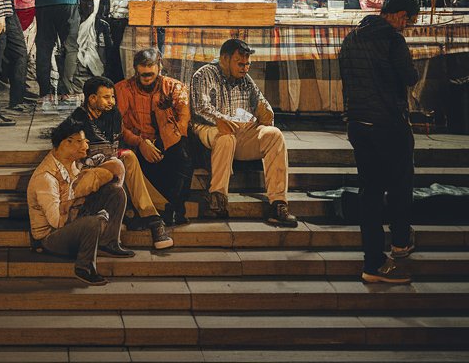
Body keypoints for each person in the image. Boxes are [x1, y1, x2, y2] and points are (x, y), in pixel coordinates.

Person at [337, 0, 421, 284]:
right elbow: (409, 77)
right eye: (408, 22)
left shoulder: (351, 38)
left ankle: (373, 263)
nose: (406, 27)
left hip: (358, 123)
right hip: (388, 124)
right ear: (400, 15)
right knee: (400, 183)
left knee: (370, 192)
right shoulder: (393, 40)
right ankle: (399, 241)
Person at [191, 38, 298, 227]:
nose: (245, 68)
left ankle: (278, 203)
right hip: (208, 127)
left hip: (240, 130)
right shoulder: (204, 74)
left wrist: (265, 113)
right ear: (224, 59)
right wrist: (219, 119)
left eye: (247, 64)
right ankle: (217, 200)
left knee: (274, 135)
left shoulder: (246, 80)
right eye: (240, 63)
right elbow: (200, 108)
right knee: (226, 139)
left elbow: (264, 111)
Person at [68, 76, 173, 250]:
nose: (111, 102)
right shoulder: (78, 119)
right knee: (122, 163)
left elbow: (114, 144)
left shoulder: (113, 114)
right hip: (88, 169)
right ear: (92, 98)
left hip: (112, 163)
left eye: (113, 97)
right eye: (106, 97)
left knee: (129, 157)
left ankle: (150, 216)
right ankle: (154, 216)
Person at [27, 116, 132, 286]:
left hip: (71, 218)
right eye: (81, 141)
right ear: (66, 143)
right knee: (93, 222)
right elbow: (56, 222)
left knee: (116, 193)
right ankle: (84, 268)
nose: (86, 145)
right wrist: (80, 201)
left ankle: (109, 242)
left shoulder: (73, 163)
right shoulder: (46, 178)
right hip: (51, 238)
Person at [114, 48, 195, 226]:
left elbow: (183, 122)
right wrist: (141, 143)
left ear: (159, 67)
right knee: (141, 161)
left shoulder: (175, 86)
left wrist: (163, 142)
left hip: (169, 141)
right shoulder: (122, 89)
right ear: (136, 70)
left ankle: (174, 209)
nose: (147, 79)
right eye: (142, 75)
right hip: (137, 143)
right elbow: (117, 126)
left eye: (150, 74)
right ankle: (159, 210)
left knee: (183, 154)